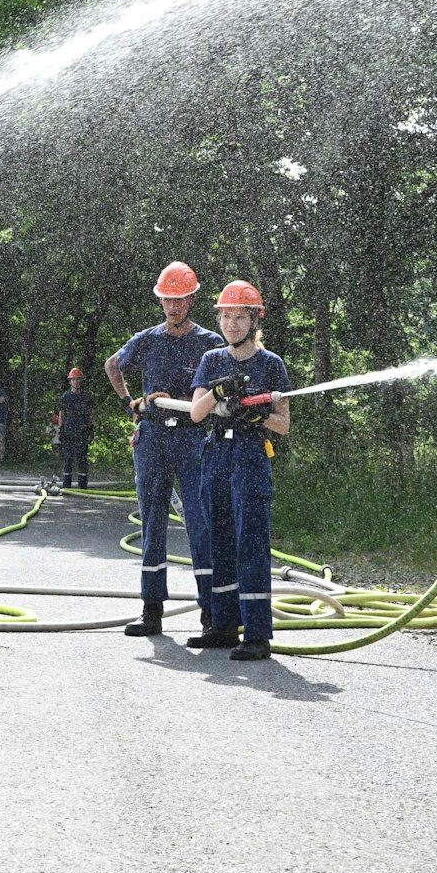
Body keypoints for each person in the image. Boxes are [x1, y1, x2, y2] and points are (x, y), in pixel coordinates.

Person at [104, 261, 224, 636]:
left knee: (199, 522)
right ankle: (151, 610)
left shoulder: (209, 343)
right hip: (152, 437)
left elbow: (224, 385)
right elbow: (112, 365)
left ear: (191, 299)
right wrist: (131, 403)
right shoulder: (147, 339)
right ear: (161, 301)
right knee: (153, 521)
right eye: (167, 301)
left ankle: (211, 614)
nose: (174, 307)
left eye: (180, 300)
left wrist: (195, 400)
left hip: (192, 437)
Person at [189, 281, 290, 660]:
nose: (231, 323)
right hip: (216, 453)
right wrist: (218, 393)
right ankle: (224, 625)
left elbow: (284, 424)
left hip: (250, 456)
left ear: (254, 320)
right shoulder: (211, 360)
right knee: (219, 539)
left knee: (250, 541)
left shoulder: (270, 364)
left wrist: (259, 413)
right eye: (225, 316)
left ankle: (258, 635)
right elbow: (197, 413)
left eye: (239, 316)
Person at [57, 366, 94, 489]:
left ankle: (83, 486)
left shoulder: (86, 397)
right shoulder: (65, 397)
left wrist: (91, 428)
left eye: (78, 379)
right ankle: (66, 486)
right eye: (74, 380)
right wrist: (60, 430)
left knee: (82, 458)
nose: (76, 382)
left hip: (82, 430)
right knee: (68, 458)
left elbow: (90, 413)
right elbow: (61, 414)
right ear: (70, 381)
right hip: (68, 430)